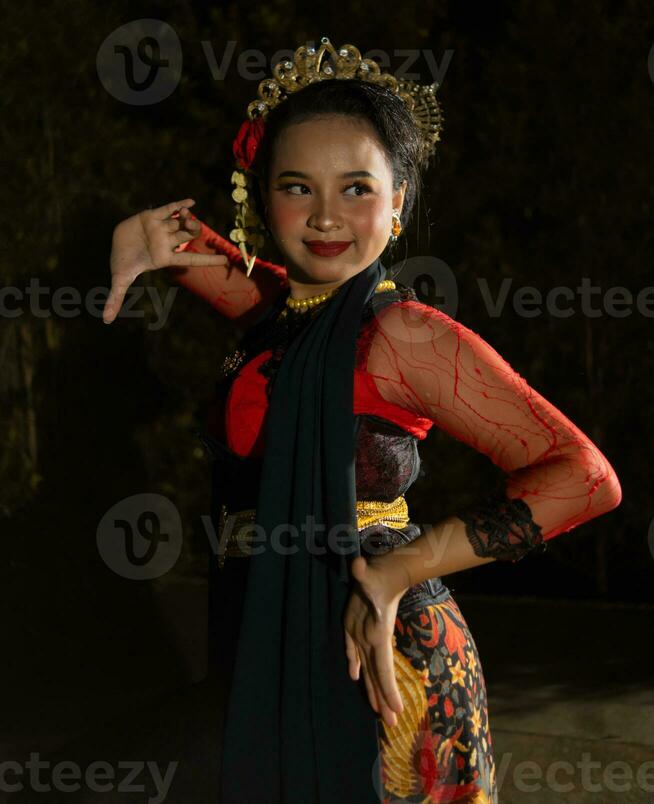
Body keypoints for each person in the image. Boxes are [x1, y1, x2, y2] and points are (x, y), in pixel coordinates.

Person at [104, 39, 622, 804]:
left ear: (399, 200)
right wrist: (158, 242)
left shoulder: (405, 335)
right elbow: (250, 289)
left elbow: (585, 478)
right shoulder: (291, 317)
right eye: (295, 187)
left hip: (383, 661)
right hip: (273, 634)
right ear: (261, 197)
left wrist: (400, 570)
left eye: (355, 189)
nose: (324, 218)